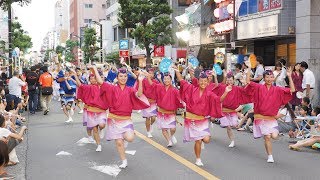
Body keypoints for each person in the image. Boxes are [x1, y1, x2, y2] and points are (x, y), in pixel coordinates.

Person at [93, 66, 149, 169]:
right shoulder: (112, 88)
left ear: (127, 78)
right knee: (119, 142)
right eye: (121, 76)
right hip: (114, 119)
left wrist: (140, 81)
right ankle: (124, 161)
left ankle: (126, 138)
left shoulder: (130, 89)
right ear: (117, 77)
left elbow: (139, 94)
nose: (123, 78)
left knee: (130, 138)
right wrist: (94, 69)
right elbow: (100, 82)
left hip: (126, 119)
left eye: (125, 76)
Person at [244, 61, 295, 163]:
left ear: (273, 78)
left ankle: (268, 142)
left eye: (271, 77)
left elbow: (292, 90)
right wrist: (249, 68)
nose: (269, 79)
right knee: (267, 137)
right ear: (264, 78)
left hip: (271, 118)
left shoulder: (277, 89)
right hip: (261, 117)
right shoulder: (259, 87)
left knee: (274, 136)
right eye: (267, 77)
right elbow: (248, 82)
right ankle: (270, 156)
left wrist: (289, 76)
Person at [175, 68, 225, 166]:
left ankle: (200, 141)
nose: (203, 83)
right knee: (198, 140)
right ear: (198, 82)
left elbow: (218, 100)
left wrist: (226, 91)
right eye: (201, 81)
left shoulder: (210, 94)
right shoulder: (191, 89)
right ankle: (198, 159)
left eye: (205, 81)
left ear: (207, 82)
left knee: (206, 140)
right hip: (192, 119)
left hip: (202, 120)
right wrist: (177, 71)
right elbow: (182, 81)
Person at [212, 72, 251, 148]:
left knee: (234, 124)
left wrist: (245, 83)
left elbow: (246, 91)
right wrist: (215, 77)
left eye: (231, 80)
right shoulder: (223, 87)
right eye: (228, 80)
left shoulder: (237, 88)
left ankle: (233, 124)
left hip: (233, 111)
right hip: (223, 111)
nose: (229, 82)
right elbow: (216, 88)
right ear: (226, 81)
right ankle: (232, 141)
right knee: (228, 126)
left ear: (233, 81)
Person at [145, 71, 183, 147]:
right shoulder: (159, 87)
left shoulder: (175, 90)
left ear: (171, 80)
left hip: (171, 113)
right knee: (164, 129)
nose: (166, 80)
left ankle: (172, 136)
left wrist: (183, 104)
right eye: (165, 79)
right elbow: (152, 84)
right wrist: (148, 77)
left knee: (173, 129)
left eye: (168, 79)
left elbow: (180, 99)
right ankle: (169, 141)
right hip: (161, 112)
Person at [74, 70, 108, 152]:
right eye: (91, 78)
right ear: (89, 80)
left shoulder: (103, 86)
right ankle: (98, 145)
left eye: (95, 78)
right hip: (90, 110)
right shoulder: (88, 87)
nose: (93, 80)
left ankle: (102, 129)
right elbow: (80, 85)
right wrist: (75, 75)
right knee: (94, 129)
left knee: (102, 125)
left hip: (101, 110)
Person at [139, 68, 159, 138]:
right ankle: (148, 132)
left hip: (153, 102)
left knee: (153, 118)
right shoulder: (144, 81)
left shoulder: (156, 81)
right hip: (146, 102)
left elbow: (158, 91)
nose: (150, 74)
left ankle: (151, 125)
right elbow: (141, 90)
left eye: (152, 73)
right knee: (147, 118)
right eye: (149, 73)